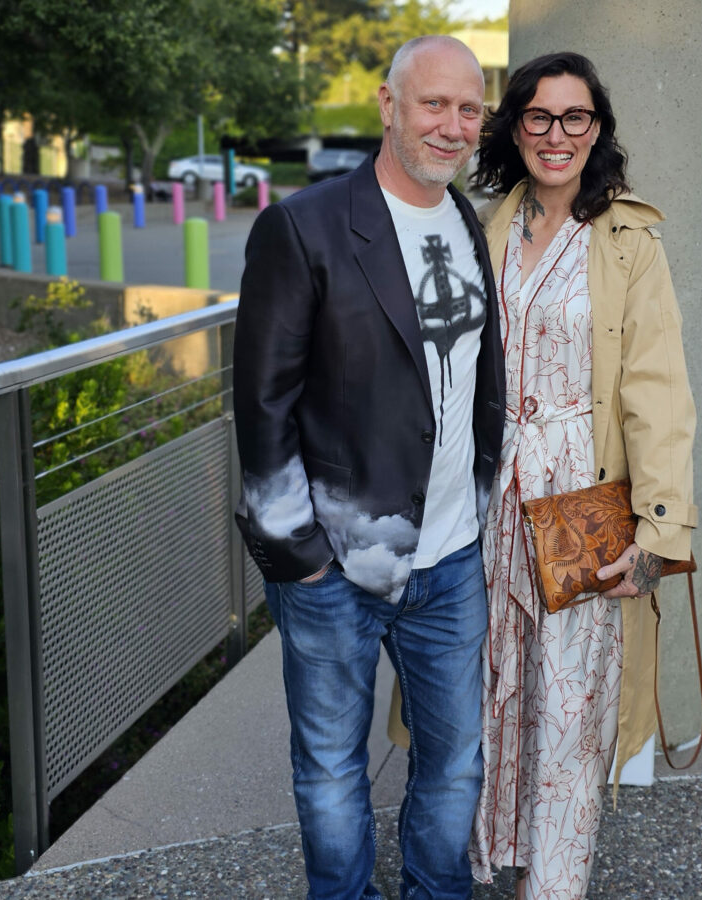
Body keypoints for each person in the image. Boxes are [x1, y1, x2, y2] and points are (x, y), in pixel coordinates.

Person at [232, 35, 504, 898]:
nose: (453, 126)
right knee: (330, 772)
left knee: (456, 764)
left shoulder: (470, 222)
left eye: (469, 110)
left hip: (455, 557)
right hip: (335, 569)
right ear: (388, 106)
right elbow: (261, 405)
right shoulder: (302, 226)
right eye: (434, 104)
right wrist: (300, 559)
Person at [467, 52, 697, 898]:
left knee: (567, 710)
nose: (557, 135)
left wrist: (658, 535)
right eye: (539, 115)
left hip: (582, 503)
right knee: (493, 689)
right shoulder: (488, 223)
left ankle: (554, 885)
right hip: (490, 496)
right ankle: (489, 858)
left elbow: (659, 395)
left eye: (576, 118)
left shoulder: (627, 238)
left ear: (597, 130)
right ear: (514, 125)